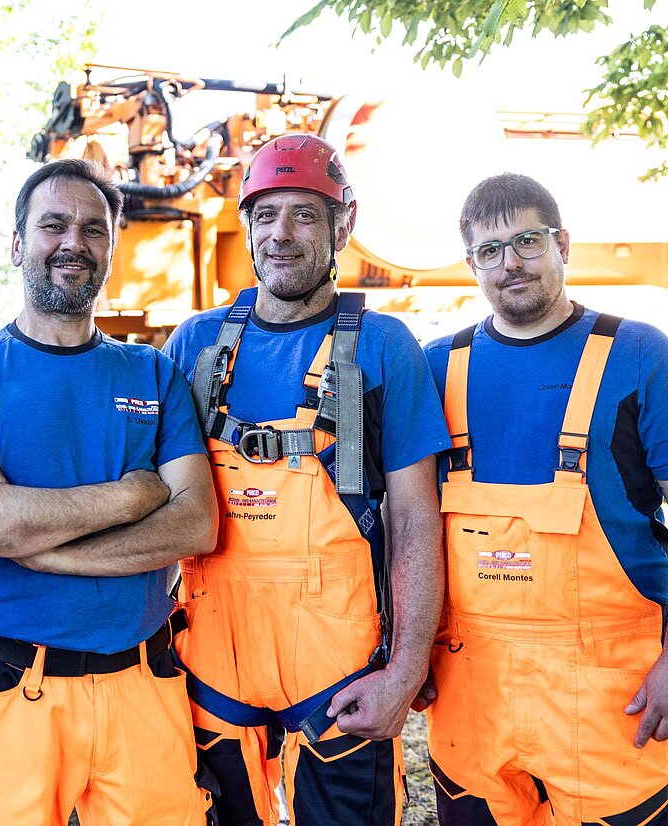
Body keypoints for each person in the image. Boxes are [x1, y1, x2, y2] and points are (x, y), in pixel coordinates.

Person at [0, 158, 219, 825]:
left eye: (92, 229)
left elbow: (196, 524)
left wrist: (39, 548)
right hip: (9, 687)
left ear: (110, 248)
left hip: (143, 682)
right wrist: (132, 497)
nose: (73, 242)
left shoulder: (153, 373)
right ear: (17, 243)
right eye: (53, 225)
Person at [162, 133, 449, 825]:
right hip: (211, 667)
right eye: (265, 215)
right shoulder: (195, 344)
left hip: (339, 679)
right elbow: (150, 491)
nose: (280, 234)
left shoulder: (383, 347)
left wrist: (405, 672)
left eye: (304, 214)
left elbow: (417, 520)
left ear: (342, 225)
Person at [421, 172, 668, 824]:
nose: (511, 263)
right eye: (489, 250)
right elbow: (404, 525)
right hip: (473, 696)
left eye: (527, 241)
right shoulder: (436, 366)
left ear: (562, 243)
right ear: (471, 263)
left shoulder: (639, 354)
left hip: (614, 697)